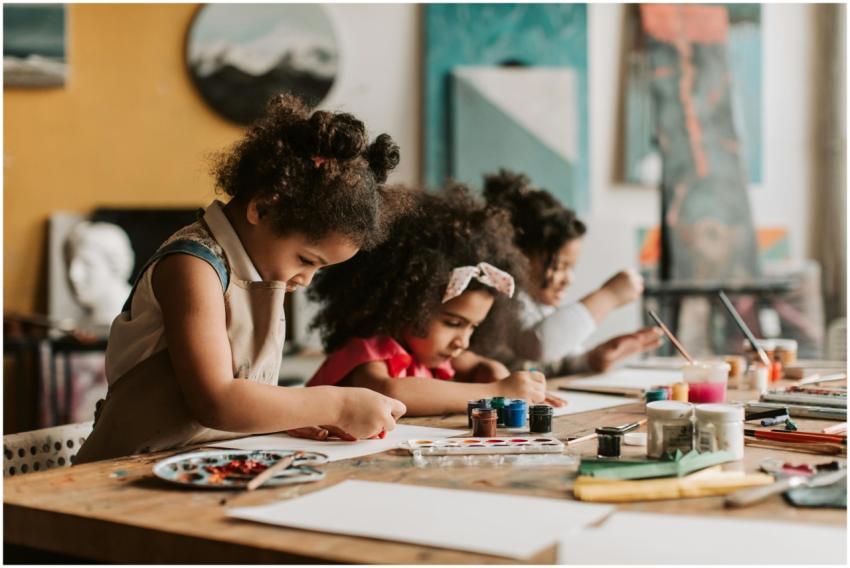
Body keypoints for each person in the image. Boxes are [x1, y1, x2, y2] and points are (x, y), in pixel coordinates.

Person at [75, 94, 407, 463]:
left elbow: (242, 396)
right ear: (262, 208)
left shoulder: (256, 272)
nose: (306, 280)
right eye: (306, 260)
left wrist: (283, 420)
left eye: (319, 269)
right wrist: (336, 403)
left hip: (192, 467)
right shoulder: (192, 267)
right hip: (119, 476)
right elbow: (216, 400)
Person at [305, 184, 565, 415]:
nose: (462, 342)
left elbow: (479, 365)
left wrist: (496, 373)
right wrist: (496, 392)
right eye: (453, 322)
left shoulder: (424, 351)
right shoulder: (368, 353)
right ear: (406, 305)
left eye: (473, 326)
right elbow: (391, 392)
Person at [481, 169, 663, 376]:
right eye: (558, 267)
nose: (569, 279)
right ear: (517, 255)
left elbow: (553, 362)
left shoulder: (538, 304)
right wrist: (608, 296)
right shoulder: (502, 298)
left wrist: (593, 359)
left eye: (571, 268)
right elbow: (539, 345)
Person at [65, 221, 135, 326]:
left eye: (87, 264)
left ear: (115, 265)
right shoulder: (86, 324)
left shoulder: (139, 312)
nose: (73, 275)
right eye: (69, 263)